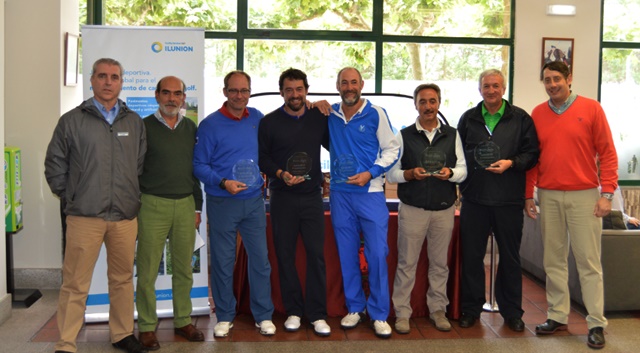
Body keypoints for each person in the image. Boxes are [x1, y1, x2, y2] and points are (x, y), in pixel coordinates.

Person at [44, 58, 148, 353]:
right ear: (91, 80)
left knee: (123, 279)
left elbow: (137, 164)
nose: (108, 81)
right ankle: (65, 342)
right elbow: (54, 164)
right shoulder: (72, 120)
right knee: (75, 283)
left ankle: (123, 334)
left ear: (121, 82)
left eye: (114, 77)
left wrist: (128, 194)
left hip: (124, 216)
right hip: (84, 216)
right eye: (102, 76)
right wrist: (71, 196)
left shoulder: (134, 122)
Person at [525, 61, 618, 350]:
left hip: (585, 196)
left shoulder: (591, 108)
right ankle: (557, 316)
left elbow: (608, 153)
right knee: (553, 261)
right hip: (549, 196)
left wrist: (608, 194)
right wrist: (529, 194)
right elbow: (533, 159)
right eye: (547, 80)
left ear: (569, 79)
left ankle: (595, 323)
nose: (552, 84)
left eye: (557, 79)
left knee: (588, 262)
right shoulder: (538, 113)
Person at [193, 70, 275, 338]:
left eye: (244, 91)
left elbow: (269, 152)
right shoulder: (210, 124)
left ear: (250, 92)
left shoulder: (259, 119)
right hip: (222, 201)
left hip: (253, 201)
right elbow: (199, 166)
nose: (239, 96)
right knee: (223, 261)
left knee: (260, 261)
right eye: (234, 90)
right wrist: (222, 182)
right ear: (225, 91)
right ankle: (225, 315)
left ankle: (263, 315)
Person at [457, 69, 539, 332]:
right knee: (472, 257)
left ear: (504, 89)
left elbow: (533, 154)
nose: (491, 90)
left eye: (495, 86)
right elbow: (457, 155)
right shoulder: (468, 119)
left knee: (511, 259)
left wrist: (511, 163)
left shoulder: (521, 118)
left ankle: (512, 311)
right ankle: (470, 309)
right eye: (486, 86)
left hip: (508, 200)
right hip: (475, 199)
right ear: (479, 89)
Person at [386, 83, 467, 334]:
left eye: (432, 101)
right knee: (406, 264)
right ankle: (402, 313)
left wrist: (450, 173)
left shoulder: (453, 135)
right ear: (415, 104)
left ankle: (437, 310)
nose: (428, 106)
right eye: (423, 101)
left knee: (439, 265)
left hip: (444, 211)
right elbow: (391, 174)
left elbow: (463, 171)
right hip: (412, 210)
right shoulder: (403, 135)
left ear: (439, 104)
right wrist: (409, 174)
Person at [327, 67, 400, 338]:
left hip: (370, 193)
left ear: (362, 84)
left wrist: (371, 172)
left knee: (378, 254)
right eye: (344, 82)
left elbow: (393, 148)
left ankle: (379, 313)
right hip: (340, 193)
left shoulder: (376, 113)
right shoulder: (330, 114)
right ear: (337, 85)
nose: (349, 87)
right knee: (346, 253)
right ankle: (355, 307)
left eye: (353, 82)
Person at [257, 68, 331, 336]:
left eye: (299, 89)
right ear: (281, 92)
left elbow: (335, 144)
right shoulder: (269, 122)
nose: (295, 94)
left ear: (307, 90)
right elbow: (262, 157)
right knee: (285, 256)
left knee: (316, 256)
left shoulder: (318, 118)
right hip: (282, 198)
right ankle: (294, 311)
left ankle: (317, 314)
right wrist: (280, 174)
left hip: (312, 198)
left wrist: (326, 106)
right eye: (289, 90)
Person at [135, 76, 205, 350]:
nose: (172, 99)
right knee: (148, 270)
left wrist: (197, 206)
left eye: (177, 94)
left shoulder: (191, 127)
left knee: (184, 269)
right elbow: (133, 168)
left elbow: (195, 170)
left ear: (183, 98)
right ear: (156, 95)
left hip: (186, 205)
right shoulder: (143, 127)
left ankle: (183, 321)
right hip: (152, 205)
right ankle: (147, 327)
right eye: (166, 93)